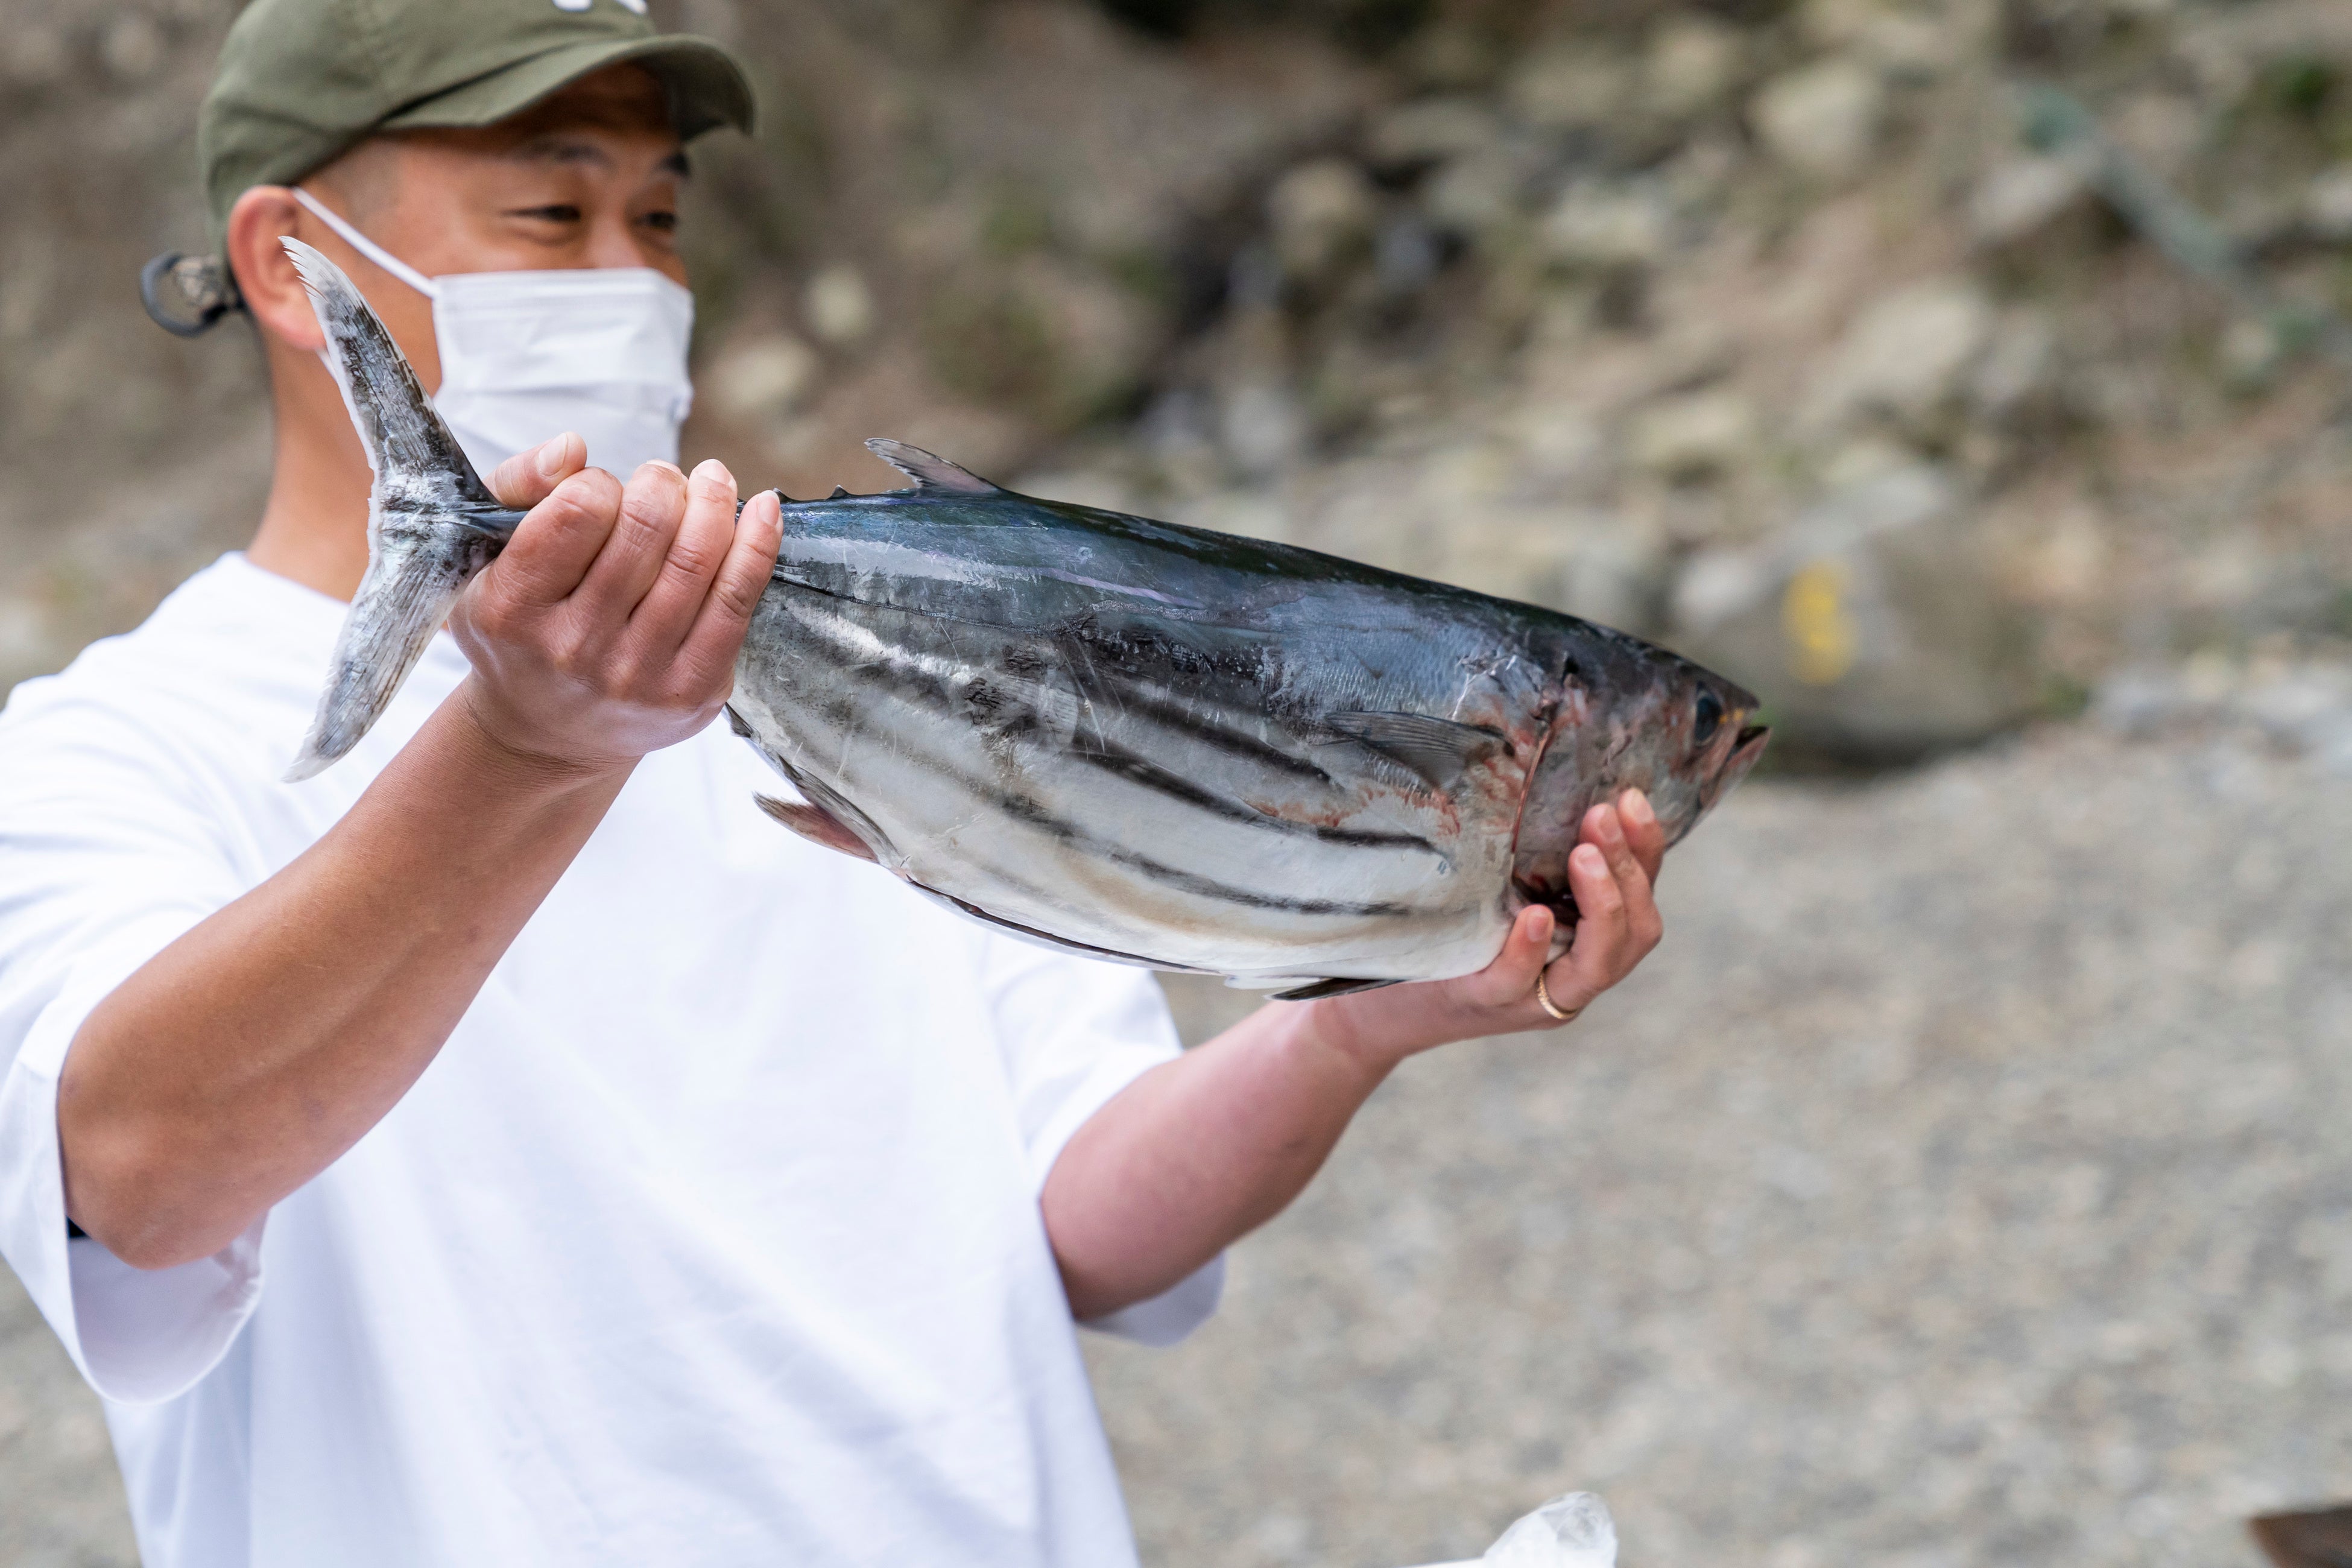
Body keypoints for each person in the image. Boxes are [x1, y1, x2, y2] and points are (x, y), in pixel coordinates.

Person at [0, 2, 1671, 1564]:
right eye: (545, 218)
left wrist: (1357, 1013)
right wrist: (528, 750)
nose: (628, 279)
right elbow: (138, 1181)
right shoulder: (111, 749)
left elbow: (1081, 1220)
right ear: (291, 270)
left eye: (658, 222)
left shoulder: (916, 682)